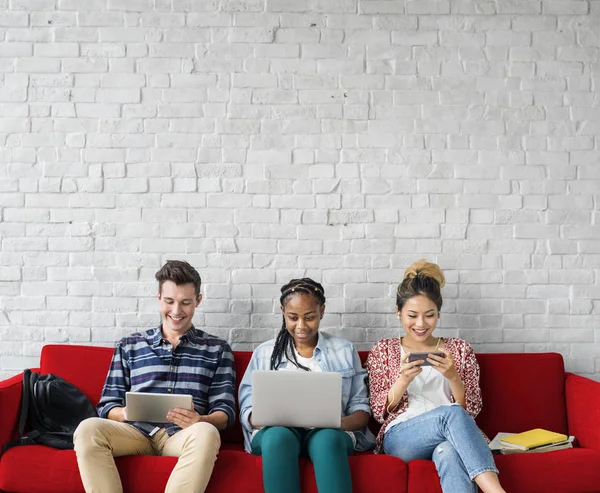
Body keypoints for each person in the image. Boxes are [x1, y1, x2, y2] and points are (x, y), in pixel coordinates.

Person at [73, 260, 236, 493]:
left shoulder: (217, 349)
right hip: (134, 432)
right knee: (88, 429)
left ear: (198, 301)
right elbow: (107, 405)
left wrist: (200, 421)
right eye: (169, 301)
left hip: (183, 436)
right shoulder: (130, 345)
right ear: (159, 298)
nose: (176, 311)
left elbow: (225, 413)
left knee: (207, 433)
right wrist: (125, 413)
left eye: (186, 303)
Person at [366, 259, 506, 493]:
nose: (420, 324)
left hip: (451, 435)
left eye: (429, 315)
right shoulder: (383, 350)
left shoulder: (460, 349)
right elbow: (379, 411)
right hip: (402, 437)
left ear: (438, 315)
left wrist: (453, 377)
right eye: (412, 315)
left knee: (449, 452)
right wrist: (402, 381)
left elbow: (470, 411)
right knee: (449, 415)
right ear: (398, 312)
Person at [238, 278, 375, 493]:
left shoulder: (344, 350)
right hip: (276, 432)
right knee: (277, 437)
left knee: (327, 439)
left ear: (322, 311)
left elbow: (361, 411)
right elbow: (248, 413)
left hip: (330, 432)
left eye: (309, 317)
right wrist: (266, 416)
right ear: (283, 311)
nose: (301, 326)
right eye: (293, 317)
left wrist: (335, 423)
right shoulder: (264, 353)